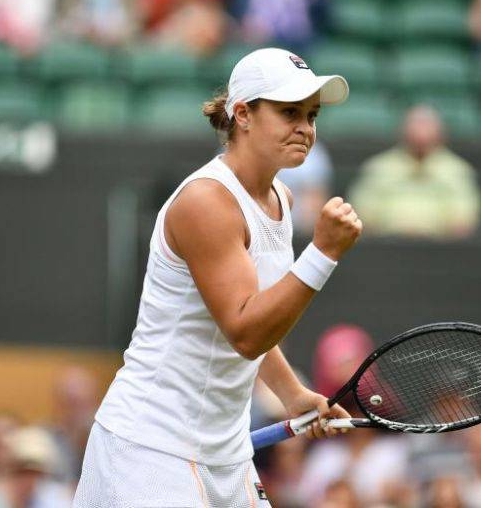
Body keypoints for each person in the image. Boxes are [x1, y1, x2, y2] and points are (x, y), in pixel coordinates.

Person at [73, 47, 358, 507]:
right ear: (243, 114)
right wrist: (322, 253)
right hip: (148, 452)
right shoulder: (206, 203)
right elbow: (245, 331)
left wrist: (292, 394)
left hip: (226, 454)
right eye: (290, 113)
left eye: (312, 114)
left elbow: (255, 318)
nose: (305, 128)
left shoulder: (281, 197)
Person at [348, 105, 481, 239]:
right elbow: (360, 215)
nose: (421, 132)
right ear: (401, 131)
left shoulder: (457, 170)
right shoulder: (378, 167)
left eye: (426, 125)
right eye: (416, 124)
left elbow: (465, 221)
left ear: (441, 133)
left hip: (441, 252)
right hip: (385, 249)